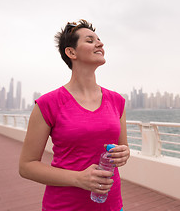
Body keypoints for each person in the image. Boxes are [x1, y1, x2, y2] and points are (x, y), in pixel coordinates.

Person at [19, 19, 130, 211]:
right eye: (90, 40)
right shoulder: (48, 103)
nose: (100, 43)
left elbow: (122, 148)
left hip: (111, 205)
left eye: (99, 39)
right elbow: (27, 166)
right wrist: (78, 179)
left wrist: (124, 154)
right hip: (64, 206)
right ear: (71, 52)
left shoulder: (117, 101)